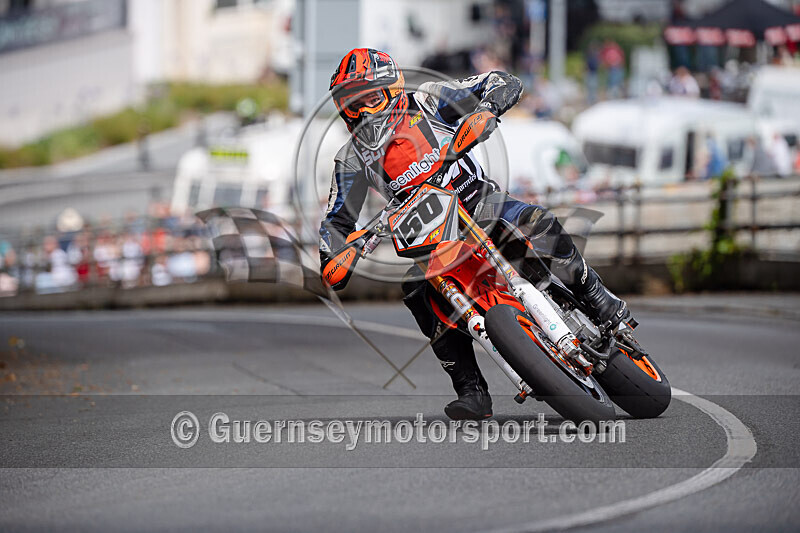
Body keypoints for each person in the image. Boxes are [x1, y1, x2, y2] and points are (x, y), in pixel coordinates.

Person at [319, 49, 629, 420]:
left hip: (478, 203)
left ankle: (594, 296)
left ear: (393, 89)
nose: (365, 112)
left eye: (371, 98)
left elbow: (502, 82)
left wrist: (486, 109)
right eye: (353, 104)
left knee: (534, 221)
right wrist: (334, 254)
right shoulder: (351, 159)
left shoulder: (429, 101)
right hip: (430, 242)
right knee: (416, 292)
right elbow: (336, 222)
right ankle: (471, 389)